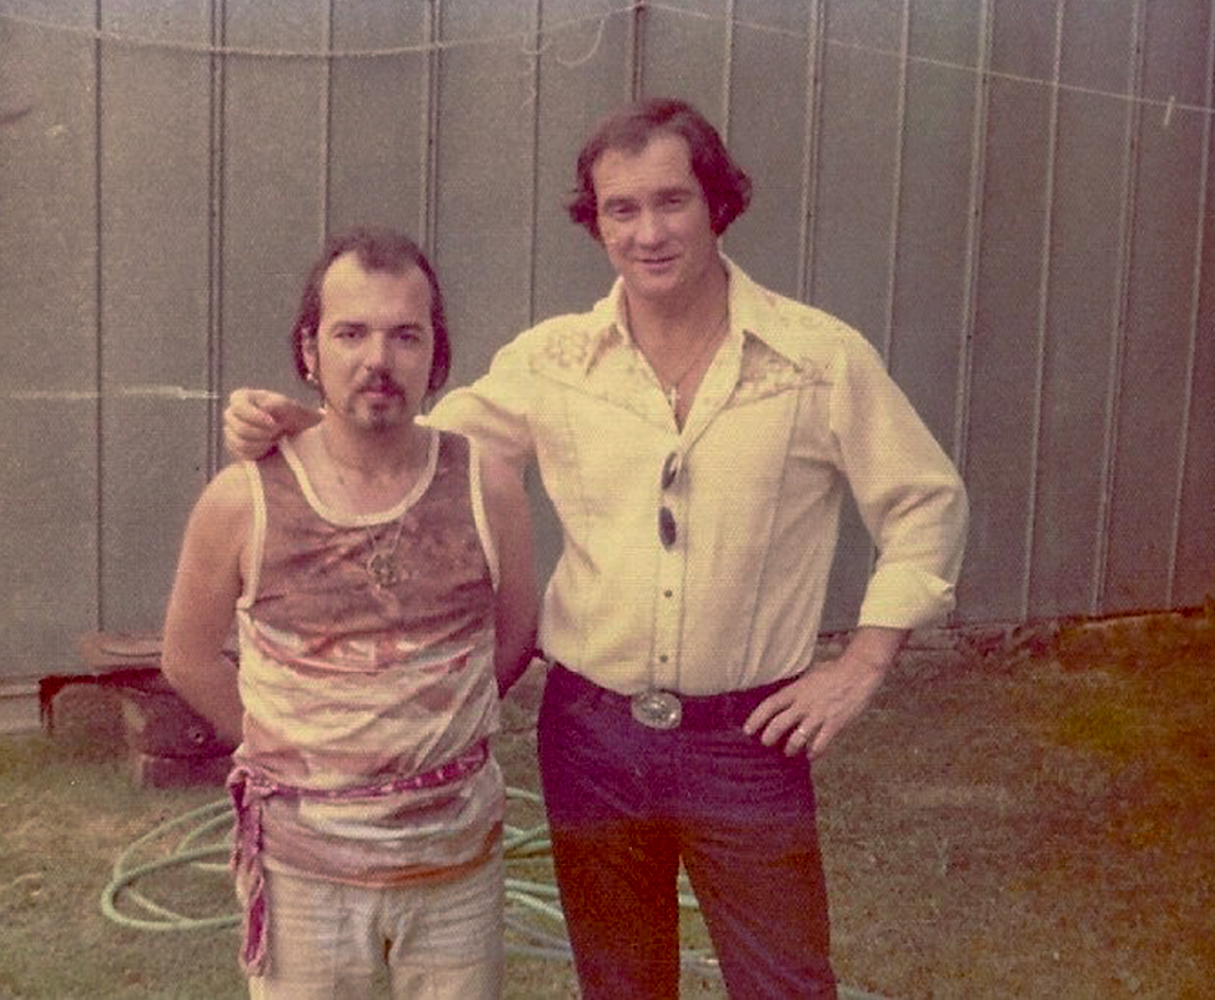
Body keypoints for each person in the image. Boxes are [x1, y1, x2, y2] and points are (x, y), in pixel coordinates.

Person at [224, 98, 969, 999]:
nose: (648, 233)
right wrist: (299, 424)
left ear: (717, 204)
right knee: (620, 987)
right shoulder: (555, 361)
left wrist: (862, 663)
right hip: (592, 740)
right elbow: (421, 450)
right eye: (621, 209)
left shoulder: (817, 360)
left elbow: (925, 503)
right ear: (597, 223)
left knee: (786, 986)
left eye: (671, 201)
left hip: (748, 744)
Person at [162, 227, 538, 1000]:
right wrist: (296, 759)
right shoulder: (243, 499)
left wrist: (428, 738)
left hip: (455, 876)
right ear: (309, 351)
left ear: (435, 354)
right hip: (305, 883)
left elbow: (515, 637)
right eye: (350, 333)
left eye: (405, 335)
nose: (378, 359)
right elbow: (188, 658)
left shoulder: (488, 488)